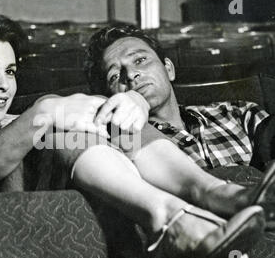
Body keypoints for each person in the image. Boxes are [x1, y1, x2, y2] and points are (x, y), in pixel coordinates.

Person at [0, 16, 267, 258]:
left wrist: (134, 102)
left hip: (84, 253)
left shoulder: (21, 121)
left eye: (10, 71)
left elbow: (106, 114)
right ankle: (169, 221)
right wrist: (45, 112)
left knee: (108, 119)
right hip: (16, 254)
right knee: (60, 128)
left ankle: (223, 194)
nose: (4, 84)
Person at [86, 25, 275, 172]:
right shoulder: (119, 146)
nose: (131, 74)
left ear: (169, 69)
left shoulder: (238, 114)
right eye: (115, 76)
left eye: (140, 60)